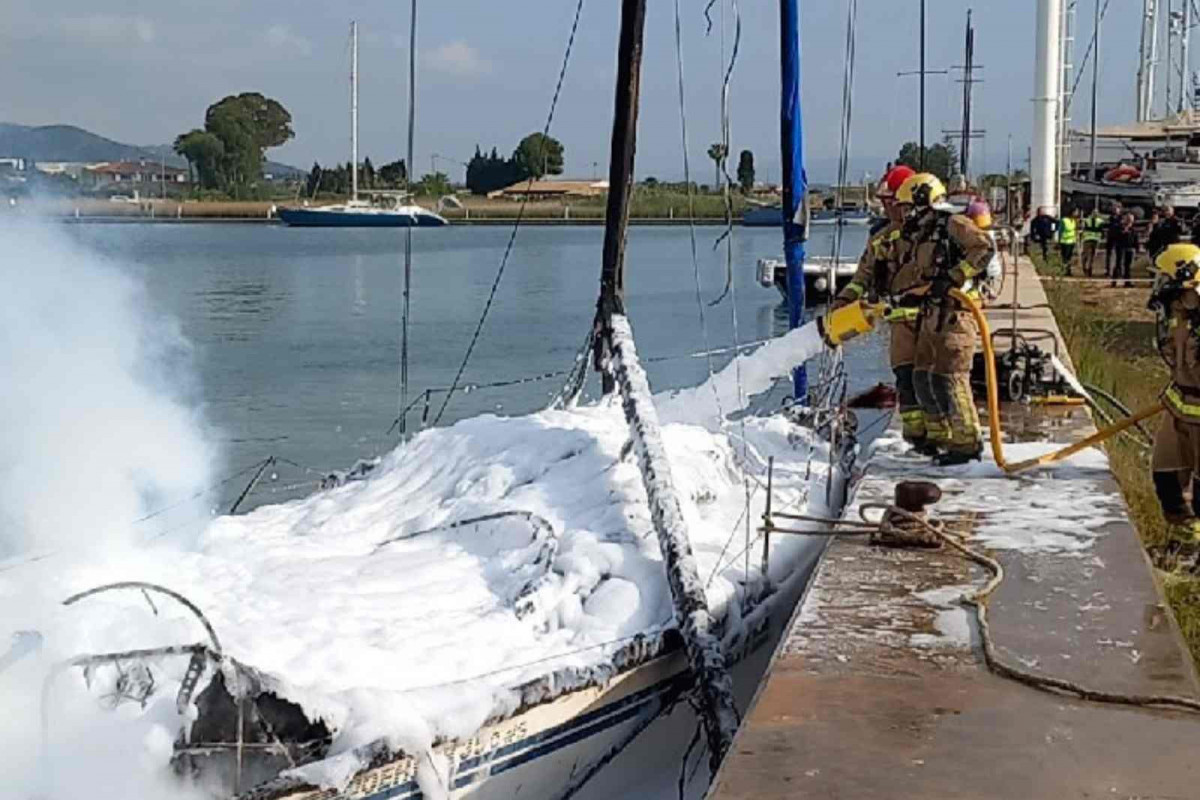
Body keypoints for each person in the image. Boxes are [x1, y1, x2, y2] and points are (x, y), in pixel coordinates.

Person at [897, 172, 996, 466]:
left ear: (922, 201)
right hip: (933, 314)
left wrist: (954, 277)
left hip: (956, 315)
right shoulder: (922, 234)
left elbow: (984, 248)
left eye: (908, 207)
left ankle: (967, 444)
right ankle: (940, 438)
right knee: (922, 377)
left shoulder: (952, 224)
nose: (905, 214)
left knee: (950, 379)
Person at [832, 165, 928, 449]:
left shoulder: (936, 234)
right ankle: (916, 441)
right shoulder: (881, 239)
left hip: (937, 321)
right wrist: (843, 302)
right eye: (885, 202)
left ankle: (947, 439)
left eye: (890, 202)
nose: (886, 208)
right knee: (906, 379)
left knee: (935, 381)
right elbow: (862, 278)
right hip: (902, 323)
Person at [1148, 243, 1200, 561]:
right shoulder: (1179, 316)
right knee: (1166, 475)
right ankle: (1184, 543)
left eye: (1165, 278)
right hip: (1180, 407)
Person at [1111, 212, 1138, 288]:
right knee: (1118, 264)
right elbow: (1114, 236)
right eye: (1128, 219)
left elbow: (1135, 240)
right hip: (1120, 248)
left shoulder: (1133, 229)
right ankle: (1114, 281)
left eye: (1131, 220)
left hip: (1129, 249)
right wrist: (1123, 232)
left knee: (1128, 266)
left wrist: (1136, 249)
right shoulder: (1119, 227)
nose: (1130, 221)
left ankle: (1127, 282)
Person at [1080, 205, 1106, 277]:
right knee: (1090, 255)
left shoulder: (1088, 220)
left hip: (1090, 239)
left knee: (1088, 255)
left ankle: (1087, 268)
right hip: (1093, 239)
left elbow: (1083, 229)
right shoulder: (1099, 221)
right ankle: (1087, 268)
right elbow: (1102, 231)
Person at [1105, 201, 1124, 277]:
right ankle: (1108, 271)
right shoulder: (1111, 218)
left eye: (1117, 207)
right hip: (1111, 238)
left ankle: (1119, 271)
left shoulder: (1121, 218)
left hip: (1119, 239)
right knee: (1109, 255)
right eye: (1114, 207)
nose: (1116, 209)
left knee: (1119, 256)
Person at [1058, 208, 1079, 275]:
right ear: (1072, 212)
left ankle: (1068, 270)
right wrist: (1059, 240)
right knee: (1065, 257)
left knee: (1069, 257)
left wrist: (1076, 238)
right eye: (1076, 212)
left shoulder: (1074, 221)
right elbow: (1060, 231)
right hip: (1065, 241)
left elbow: (1075, 230)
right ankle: (1064, 270)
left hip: (1071, 241)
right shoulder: (1064, 220)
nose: (1077, 213)